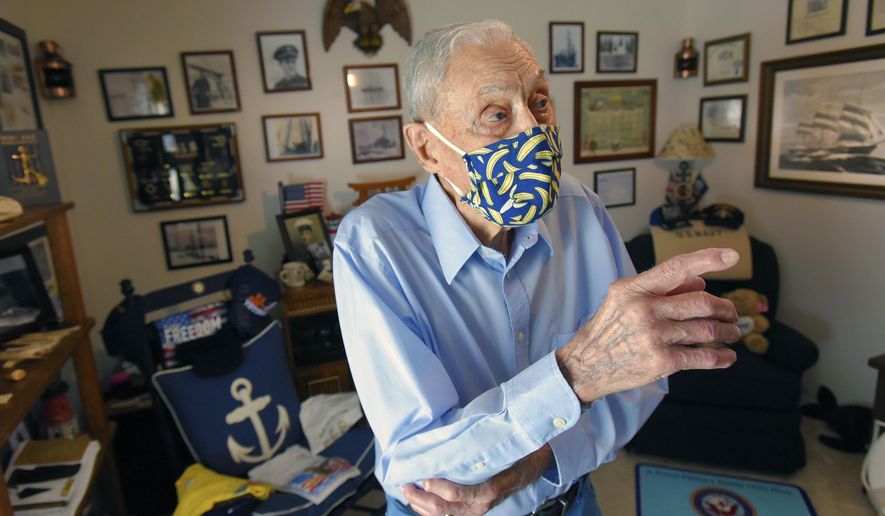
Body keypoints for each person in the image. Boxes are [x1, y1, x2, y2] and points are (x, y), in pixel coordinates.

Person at [333, 20, 740, 516]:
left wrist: (533, 463)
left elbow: (637, 382)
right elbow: (422, 465)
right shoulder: (375, 244)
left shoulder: (579, 207)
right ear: (426, 147)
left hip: (571, 500)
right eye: (496, 114)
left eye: (540, 101)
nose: (535, 131)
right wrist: (575, 376)